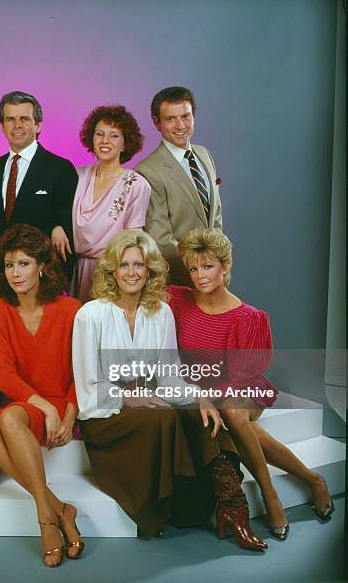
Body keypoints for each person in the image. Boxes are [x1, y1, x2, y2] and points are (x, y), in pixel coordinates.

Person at [73, 229, 267, 551]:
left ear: (148, 270)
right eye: (124, 265)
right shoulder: (90, 315)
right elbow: (87, 388)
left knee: (198, 415)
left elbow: (168, 376)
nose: (132, 272)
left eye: (139, 265)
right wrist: (129, 398)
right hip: (107, 417)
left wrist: (199, 397)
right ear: (112, 270)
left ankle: (234, 509)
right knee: (163, 419)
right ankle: (159, 509)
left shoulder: (160, 311)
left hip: (153, 403)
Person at [170, 227, 334, 540]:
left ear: (225, 267)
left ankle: (269, 493)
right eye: (193, 269)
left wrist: (206, 398)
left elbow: (240, 379)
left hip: (243, 389)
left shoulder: (246, 318)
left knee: (232, 412)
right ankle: (314, 480)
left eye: (208, 266)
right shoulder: (179, 301)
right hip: (205, 393)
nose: (200, 276)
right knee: (237, 427)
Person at [0, 224, 84, 567]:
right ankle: (55, 509)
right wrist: (41, 407)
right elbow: (3, 374)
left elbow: (83, 371)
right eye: (9, 265)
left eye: (24, 263)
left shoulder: (71, 310)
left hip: (58, 402)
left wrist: (68, 415)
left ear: (42, 266)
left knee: (4, 420)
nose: (15, 273)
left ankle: (47, 520)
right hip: (24, 401)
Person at [0, 90, 78, 281]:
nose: (17, 125)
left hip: (40, 281)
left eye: (25, 119)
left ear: (38, 125)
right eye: (10, 119)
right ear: (2, 126)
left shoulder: (60, 169)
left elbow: (67, 235)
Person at [135, 86, 222, 285]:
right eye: (170, 119)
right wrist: (199, 274)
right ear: (156, 123)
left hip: (214, 278)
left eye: (185, 116)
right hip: (182, 281)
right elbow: (161, 241)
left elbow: (214, 217)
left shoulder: (204, 154)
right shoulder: (147, 171)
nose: (180, 125)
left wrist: (218, 266)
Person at [71, 105, 150, 302]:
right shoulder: (76, 177)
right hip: (74, 272)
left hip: (113, 274)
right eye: (99, 134)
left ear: (125, 144)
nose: (105, 141)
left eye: (114, 135)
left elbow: (133, 240)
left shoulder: (137, 185)